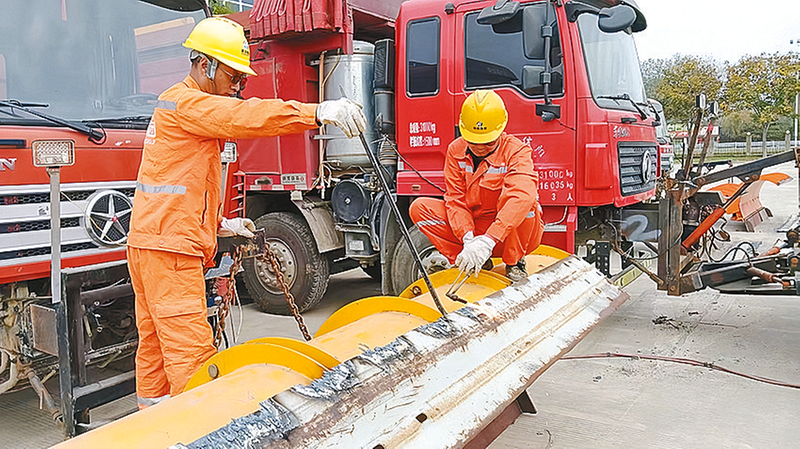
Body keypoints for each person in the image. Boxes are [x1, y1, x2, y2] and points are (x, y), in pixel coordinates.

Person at [126, 16, 366, 409]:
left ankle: (151, 421)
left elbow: (180, 184)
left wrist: (221, 223)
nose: (239, 86)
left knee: (154, 345)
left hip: (153, 242)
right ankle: (198, 427)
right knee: (190, 356)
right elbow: (247, 117)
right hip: (171, 252)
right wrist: (316, 112)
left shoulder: (182, 107)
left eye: (242, 79)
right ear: (206, 65)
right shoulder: (188, 103)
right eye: (234, 76)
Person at [409, 89, 543, 282]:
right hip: (476, 226)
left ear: (500, 130)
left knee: (526, 205)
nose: (480, 147)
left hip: (507, 233)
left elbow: (522, 195)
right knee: (420, 208)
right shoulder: (455, 150)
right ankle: (466, 260)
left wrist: (489, 240)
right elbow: (455, 200)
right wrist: (468, 239)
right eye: (473, 141)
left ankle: (514, 262)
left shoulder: (516, 151)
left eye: (488, 142)